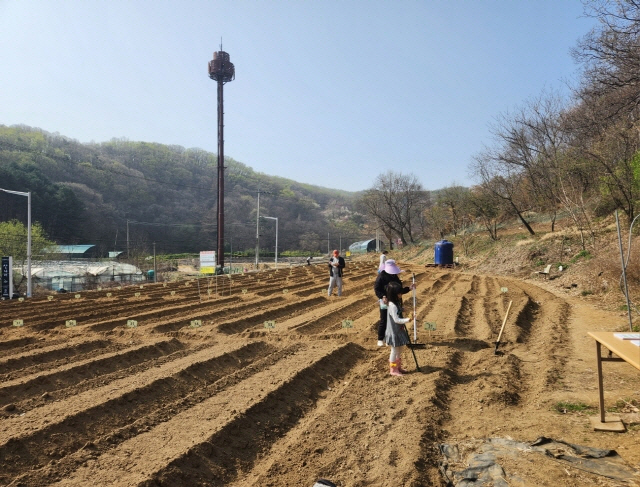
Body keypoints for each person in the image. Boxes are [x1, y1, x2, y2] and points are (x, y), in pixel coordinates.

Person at [374, 259, 414, 346]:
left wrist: (409, 288)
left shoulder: (395, 276)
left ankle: (392, 338)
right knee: (384, 319)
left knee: (395, 319)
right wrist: (383, 296)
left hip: (395, 301)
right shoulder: (381, 276)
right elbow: (377, 289)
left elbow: (399, 290)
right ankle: (380, 338)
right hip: (385, 301)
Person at [384, 281, 412, 376]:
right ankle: (393, 369)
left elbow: (397, 311)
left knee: (400, 349)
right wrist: (408, 320)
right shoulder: (392, 305)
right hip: (394, 331)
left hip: (398, 330)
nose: (401, 294)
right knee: (394, 350)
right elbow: (396, 320)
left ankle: (398, 367)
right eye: (399, 293)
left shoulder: (396, 303)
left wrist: (401, 309)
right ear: (394, 294)